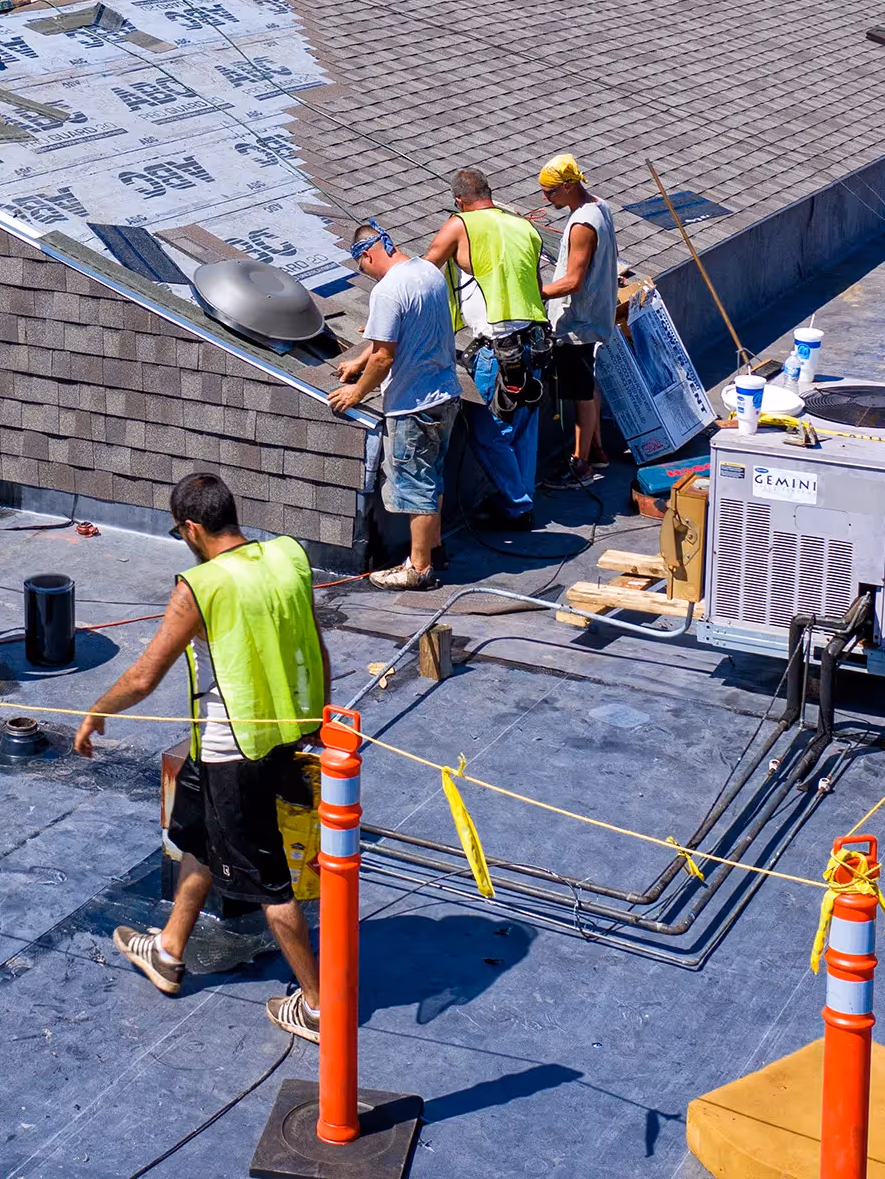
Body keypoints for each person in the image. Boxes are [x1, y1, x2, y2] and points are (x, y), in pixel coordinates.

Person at [78, 473, 330, 1045]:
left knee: (267, 883)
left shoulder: (200, 585)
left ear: (191, 528)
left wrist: (97, 711)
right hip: (283, 731)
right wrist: (318, 717)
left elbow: (145, 676)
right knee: (198, 834)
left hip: (232, 749)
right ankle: (168, 950)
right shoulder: (287, 557)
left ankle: (318, 1007)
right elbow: (315, 642)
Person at [327, 220, 459, 590]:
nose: (365, 275)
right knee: (432, 477)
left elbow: (385, 358)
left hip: (412, 404)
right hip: (445, 395)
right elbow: (394, 334)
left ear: (366, 254)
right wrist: (358, 361)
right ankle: (435, 549)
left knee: (415, 484)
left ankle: (418, 569)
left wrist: (356, 392)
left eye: (361, 267)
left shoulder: (386, 291)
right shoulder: (428, 272)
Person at [424, 167, 549, 530]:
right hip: (534, 345)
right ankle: (519, 505)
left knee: (488, 431)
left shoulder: (460, 224)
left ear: (459, 202)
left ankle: (517, 504)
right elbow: (536, 287)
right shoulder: (524, 227)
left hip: (499, 352)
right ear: (490, 194)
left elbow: (422, 273)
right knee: (523, 430)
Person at [536, 155, 624, 484]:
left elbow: (572, 281)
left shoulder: (583, 225)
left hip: (578, 323)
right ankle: (597, 450)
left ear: (570, 185)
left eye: (550, 192)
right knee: (587, 384)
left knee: (580, 393)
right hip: (594, 315)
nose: (545, 198)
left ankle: (581, 464)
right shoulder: (599, 205)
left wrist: (536, 293)